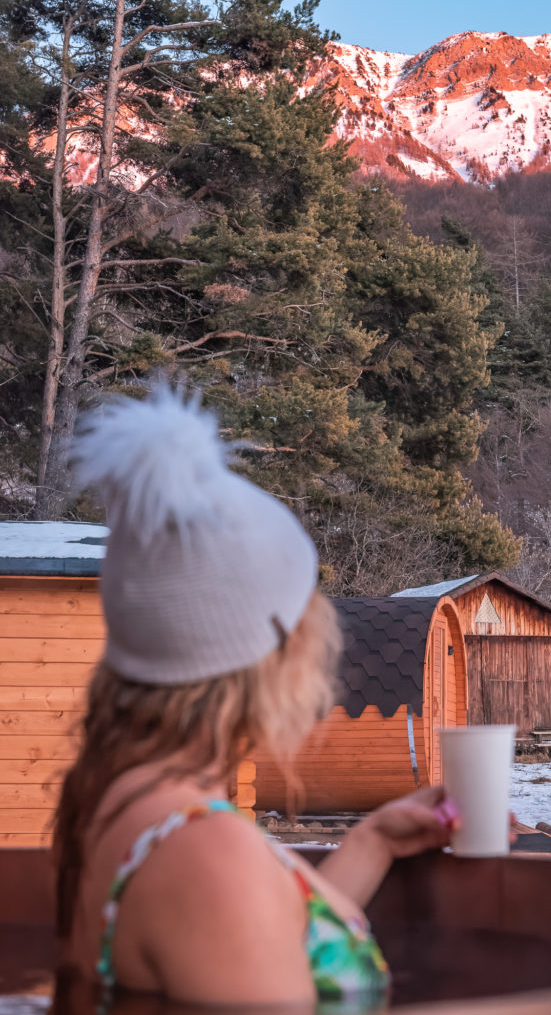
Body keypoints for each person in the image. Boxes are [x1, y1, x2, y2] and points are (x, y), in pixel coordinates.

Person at [55, 384, 461, 1011]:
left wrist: (373, 840)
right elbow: (234, 914)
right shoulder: (207, 856)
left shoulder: (118, 800)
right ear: (270, 651)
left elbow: (262, 943)